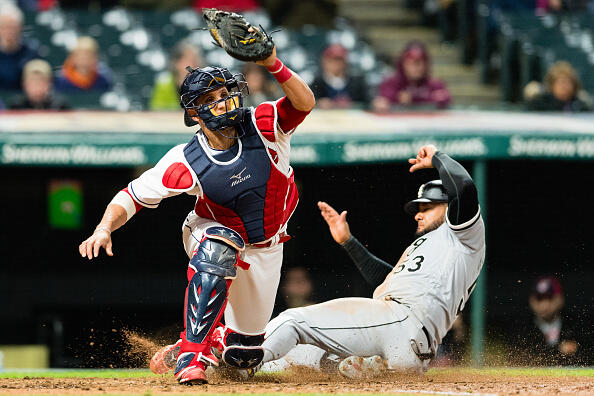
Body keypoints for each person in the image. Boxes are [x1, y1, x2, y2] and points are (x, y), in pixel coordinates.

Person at [79, 44, 315, 385]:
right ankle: (192, 354)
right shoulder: (187, 159)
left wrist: (271, 63)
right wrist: (103, 228)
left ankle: (216, 341)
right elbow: (131, 195)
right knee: (221, 246)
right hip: (210, 230)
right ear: (195, 112)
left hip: (268, 247)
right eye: (212, 97)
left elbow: (305, 102)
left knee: (243, 358)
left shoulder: (263, 124)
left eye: (225, 92)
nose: (224, 101)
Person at [148, 144, 484, 378]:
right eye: (418, 208)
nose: (419, 213)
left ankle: (225, 353)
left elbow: (465, 186)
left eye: (427, 207)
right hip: (402, 338)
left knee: (293, 322)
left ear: (449, 207)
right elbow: (388, 280)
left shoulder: (464, 236)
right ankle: (357, 368)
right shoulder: (432, 250)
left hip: (404, 322)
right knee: (296, 359)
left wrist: (438, 157)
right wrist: (348, 242)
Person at [512, 276, 589, 366]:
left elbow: (588, 353)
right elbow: (520, 358)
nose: (544, 304)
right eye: (539, 298)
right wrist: (559, 349)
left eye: (549, 298)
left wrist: (577, 348)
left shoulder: (577, 324)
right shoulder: (522, 327)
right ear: (531, 300)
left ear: (560, 298)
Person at [373, 41, 451, 111]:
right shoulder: (391, 83)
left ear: (426, 65)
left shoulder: (435, 84)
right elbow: (382, 102)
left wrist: (413, 99)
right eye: (410, 64)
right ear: (403, 64)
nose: (415, 68)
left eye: (418, 64)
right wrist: (395, 99)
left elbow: (445, 98)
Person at [310, 44, 369, 109]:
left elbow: (366, 101)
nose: (336, 64)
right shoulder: (318, 82)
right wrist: (319, 103)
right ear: (324, 61)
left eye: (339, 60)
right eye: (332, 60)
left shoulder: (357, 82)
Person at [150, 40, 204, 111]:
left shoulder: (206, 82)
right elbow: (157, 110)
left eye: (195, 59)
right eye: (188, 59)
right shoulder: (164, 84)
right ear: (177, 62)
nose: (194, 63)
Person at [0, 3, 40, 91]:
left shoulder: (31, 54)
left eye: (12, 27)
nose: (9, 31)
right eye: (5, 27)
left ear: (20, 28)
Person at [524, 61, 592, 112]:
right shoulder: (540, 104)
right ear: (552, 85)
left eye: (569, 82)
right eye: (561, 82)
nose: (565, 86)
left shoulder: (580, 106)